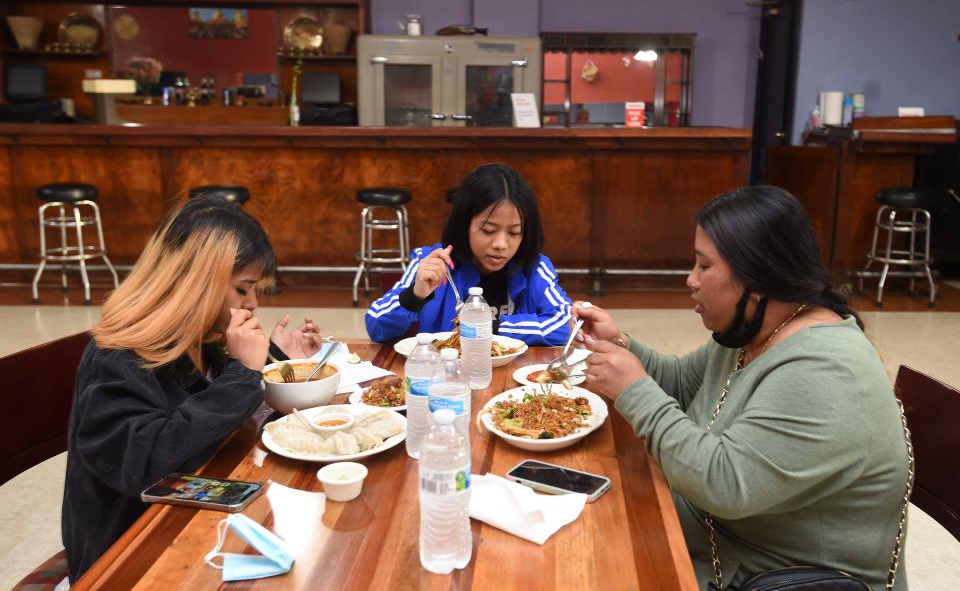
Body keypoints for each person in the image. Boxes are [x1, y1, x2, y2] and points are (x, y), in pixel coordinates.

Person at [575, 186, 910, 590]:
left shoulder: (825, 370)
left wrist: (633, 389)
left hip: (771, 575)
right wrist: (621, 345)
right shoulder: (758, 329)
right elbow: (683, 385)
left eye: (704, 266)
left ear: (758, 278)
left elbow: (725, 483)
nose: (690, 280)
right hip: (723, 542)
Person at [61, 198, 321, 582]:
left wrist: (282, 363)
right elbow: (146, 464)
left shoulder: (203, 338)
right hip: (130, 556)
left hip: (199, 526)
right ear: (194, 285)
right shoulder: (116, 357)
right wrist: (245, 373)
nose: (252, 304)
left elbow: (227, 414)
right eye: (243, 289)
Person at [365, 162, 572, 346]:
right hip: (443, 382)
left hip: (513, 384)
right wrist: (415, 295)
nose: (501, 244)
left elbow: (566, 322)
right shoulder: (433, 262)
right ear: (464, 224)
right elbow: (375, 324)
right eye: (488, 230)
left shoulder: (534, 267)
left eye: (514, 232)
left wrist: (490, 328)